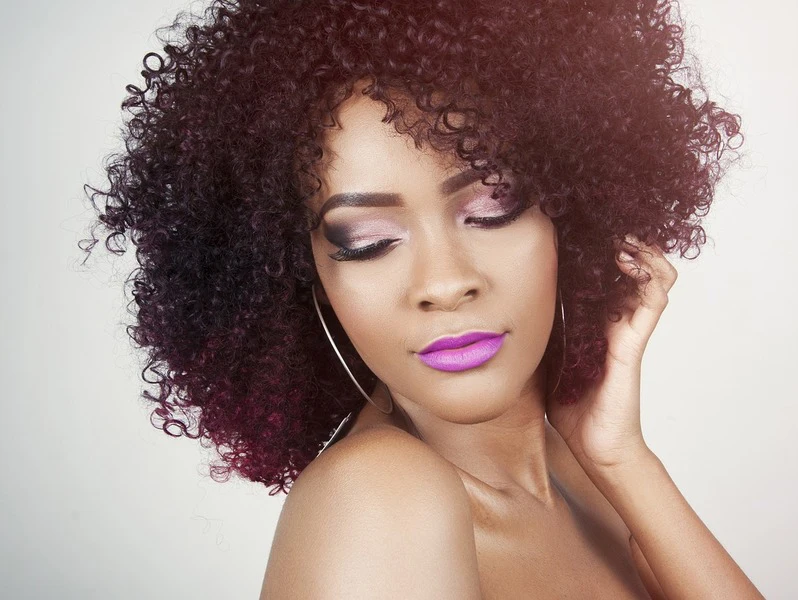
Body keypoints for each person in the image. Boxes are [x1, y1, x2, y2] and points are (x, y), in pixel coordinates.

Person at [81, 0, 759, 597]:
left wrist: (621, 460)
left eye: (492, 208)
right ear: (306, 276)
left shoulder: (579, 469)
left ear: (572, 215)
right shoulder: (381, 497)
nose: (443, 282)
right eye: (368, 239)